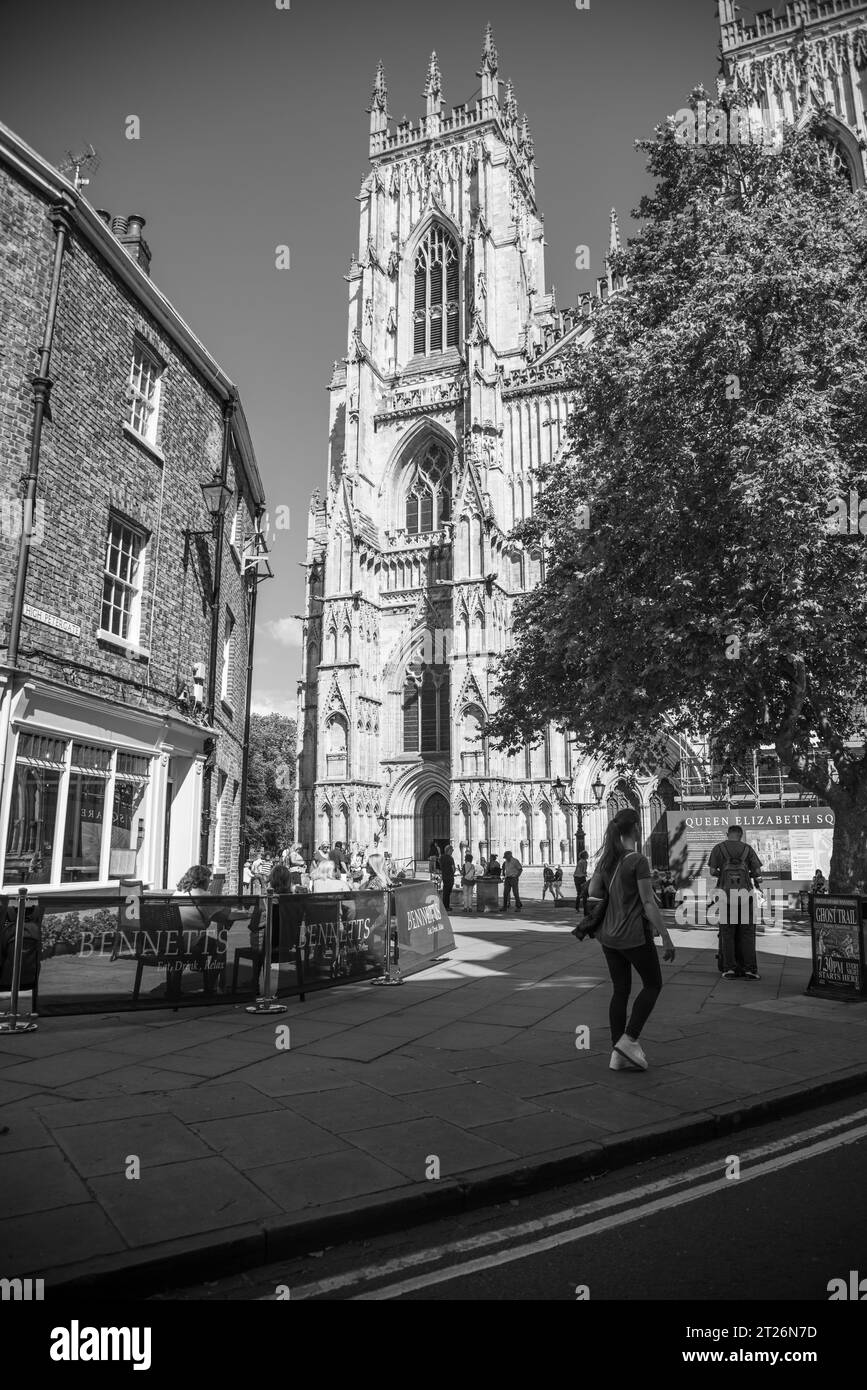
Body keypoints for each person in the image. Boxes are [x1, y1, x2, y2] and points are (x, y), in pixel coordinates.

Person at [587, 809, 676, 1072]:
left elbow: (593, 891)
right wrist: (667, 937)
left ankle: (618, 1052)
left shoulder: (607, 860)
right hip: (633, 935)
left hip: (608, 936)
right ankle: (630, 1039)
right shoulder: (637, 860)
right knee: (653, 984)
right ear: (636, 828)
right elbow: (648, 902)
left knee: (620, 990)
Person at [708, 824, 763, 981]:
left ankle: (729, 968)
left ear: (728, 834)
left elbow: (712, 871)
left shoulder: (719, 848)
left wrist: (724, 875)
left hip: (726, 897)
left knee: (727, 933)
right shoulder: (747, 849)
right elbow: (758, 873)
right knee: (747, 933)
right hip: (746, 897)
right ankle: (750, 969)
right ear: (741, 835)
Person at [439, 843, 457, 911]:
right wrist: (453, 872)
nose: (452, 851)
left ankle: (445, 906)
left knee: (445, 892)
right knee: (448, 892)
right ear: (449, 850)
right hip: (450, 877)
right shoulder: (450, 858)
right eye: (452, 850)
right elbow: (453, 868)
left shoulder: (442, 857)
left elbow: (440, 867)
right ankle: (447, 907)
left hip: (444, 876)